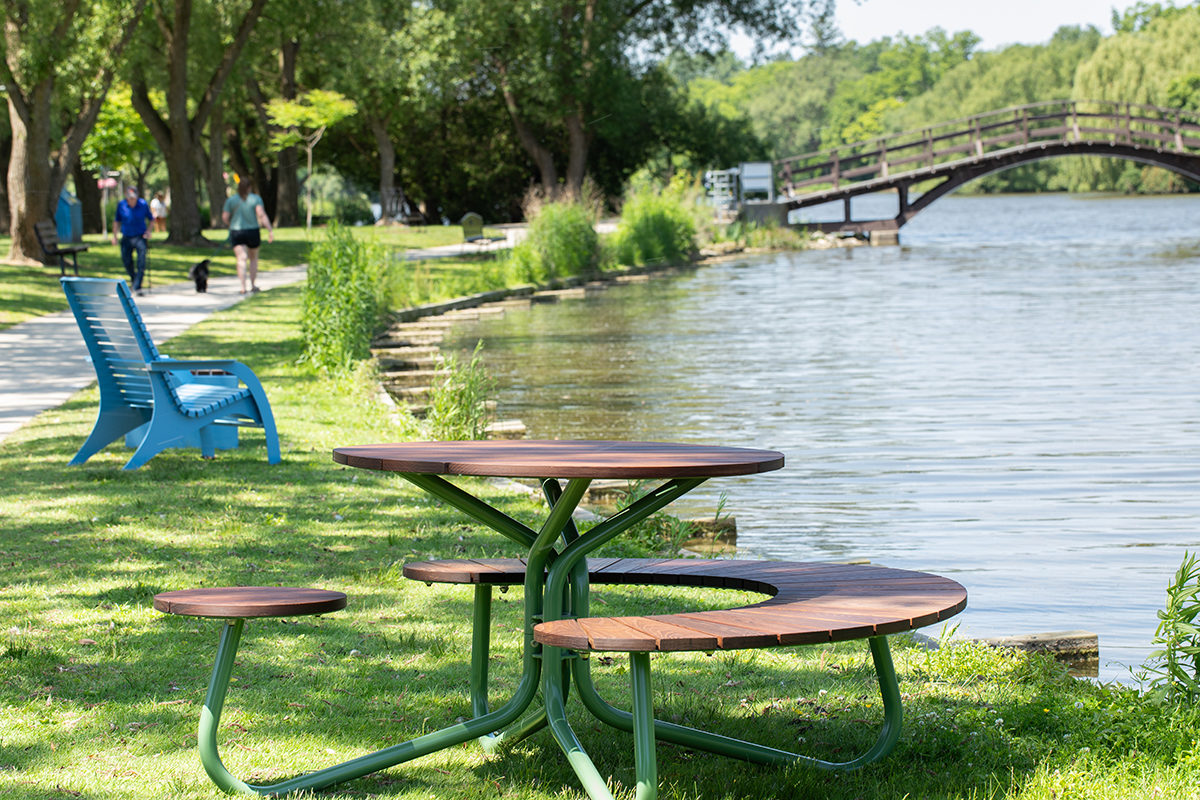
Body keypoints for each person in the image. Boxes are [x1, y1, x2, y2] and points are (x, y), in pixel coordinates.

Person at [222, 179, 274, 294]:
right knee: (253, 258)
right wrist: (270, 230)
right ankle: (253, 285)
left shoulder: (231, 200)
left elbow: (225, 217)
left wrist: (231, 225)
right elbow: (261, 214)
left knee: (241, 259)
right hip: (252, 231)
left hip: (237, 232)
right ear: (249, 187)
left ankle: (242, 287)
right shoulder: (255, 199)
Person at [112, 186, 154, 294]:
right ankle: (134, 279)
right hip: (126, 236)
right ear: (126, 196)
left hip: (140, 236)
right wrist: (115, 236)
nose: (131, 200)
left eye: (133, 198)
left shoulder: (143, 204)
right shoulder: (121, 205)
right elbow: (117, 221)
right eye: (130, 198)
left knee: (141, 261)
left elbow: (151, 219)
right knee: (126, 261)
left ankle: (137, 286)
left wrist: (148, 232)